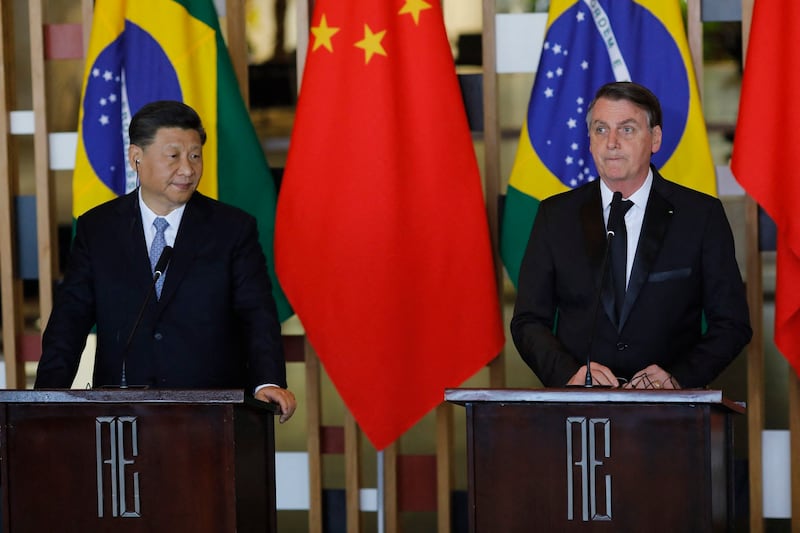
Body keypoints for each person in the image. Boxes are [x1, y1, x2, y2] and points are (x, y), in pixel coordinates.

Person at [35, 100, 296, 422]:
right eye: (173, 156)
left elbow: (256, 313)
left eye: (195, 155)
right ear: (136, 158)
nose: (187, 169)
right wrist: (43, 397)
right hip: (121, 411)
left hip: (212, 411)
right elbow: (69, 318)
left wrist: (267, 380)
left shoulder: (231, 228)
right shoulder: (98, 228)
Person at [510, 81, 751, 389]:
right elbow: (528, 320)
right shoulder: (555, 216)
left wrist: (679, 378)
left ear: (655, 139)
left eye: (626, 129)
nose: (611, 142)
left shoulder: (700, 216)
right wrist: (568, 373)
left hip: (671, 414)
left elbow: (732, 323)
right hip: (579, 411)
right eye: (600, 129)